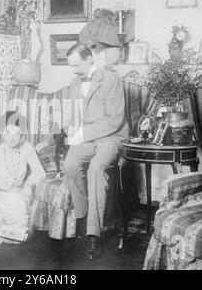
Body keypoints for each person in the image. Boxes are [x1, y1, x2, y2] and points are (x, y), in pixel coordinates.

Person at [63, 43, 129, 260]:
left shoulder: (111, 79)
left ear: (89, 58)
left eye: (76, 65)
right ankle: (83, 218)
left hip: (111, 138)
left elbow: (114, 120)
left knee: (95, 168)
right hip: (87, 139)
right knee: (70, 165)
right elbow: (74, 116)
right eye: (71, 66)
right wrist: (67, 126)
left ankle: (93, 235)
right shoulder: (74, 83)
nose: (74, 70)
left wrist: (82, 132)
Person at [0, 123, 46, 234]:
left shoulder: (27, 147)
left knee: (19, 231)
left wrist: (28, 184)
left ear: (21, 134)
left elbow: (40, 172)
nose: (12, 138)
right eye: (8, 133)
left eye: (16, 133)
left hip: (17, 195)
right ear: (2, 134)